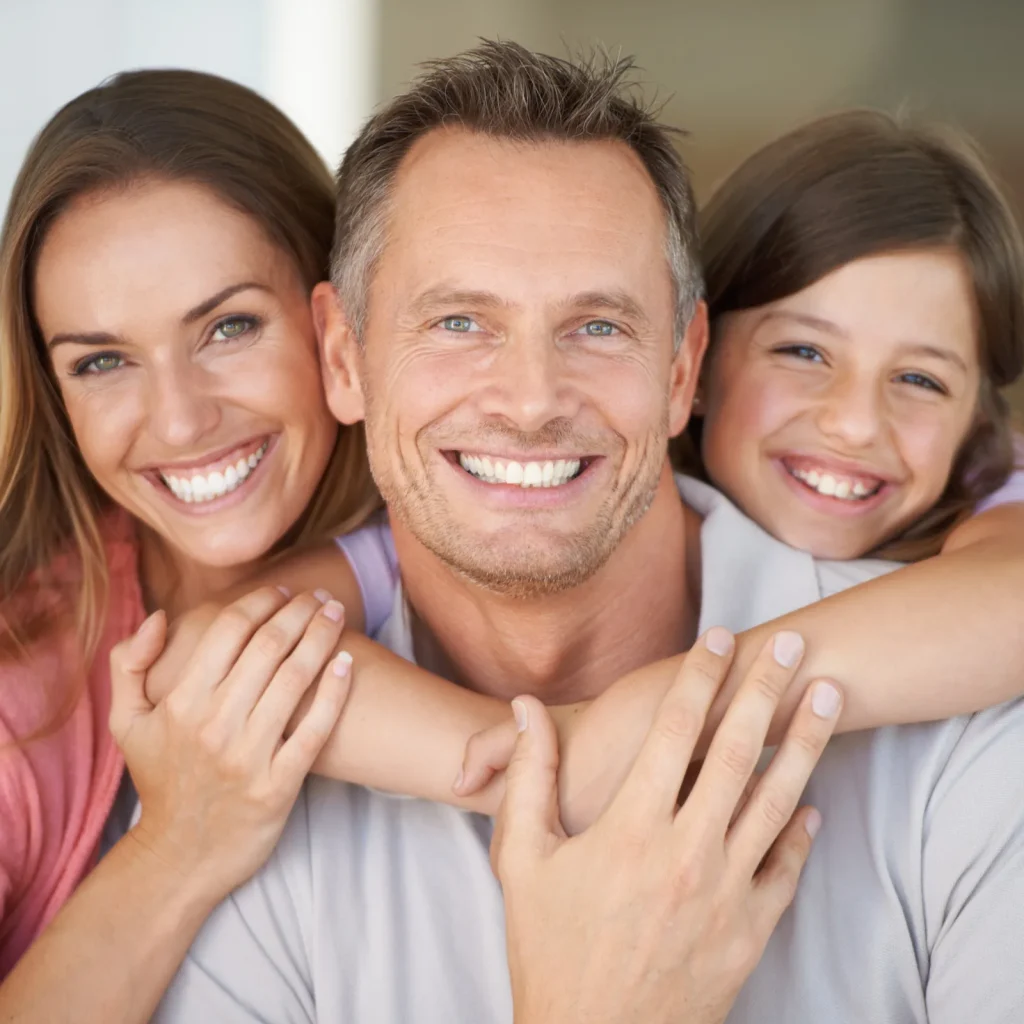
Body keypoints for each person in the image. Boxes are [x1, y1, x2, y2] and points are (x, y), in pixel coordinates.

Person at [148, 42, 1024, 1022]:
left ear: (683, 365)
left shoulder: (965, 725)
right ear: (343, 358)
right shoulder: (239, 783)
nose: (530, 400)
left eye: (597, 326)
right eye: (459, 323)